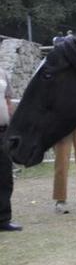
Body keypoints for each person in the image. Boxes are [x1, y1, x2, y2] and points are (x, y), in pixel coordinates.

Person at [0, 67, 21, 231]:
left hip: (3, 131)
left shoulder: (2, 72)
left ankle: (3, 219)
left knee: (5, 176)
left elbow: (8, 100)